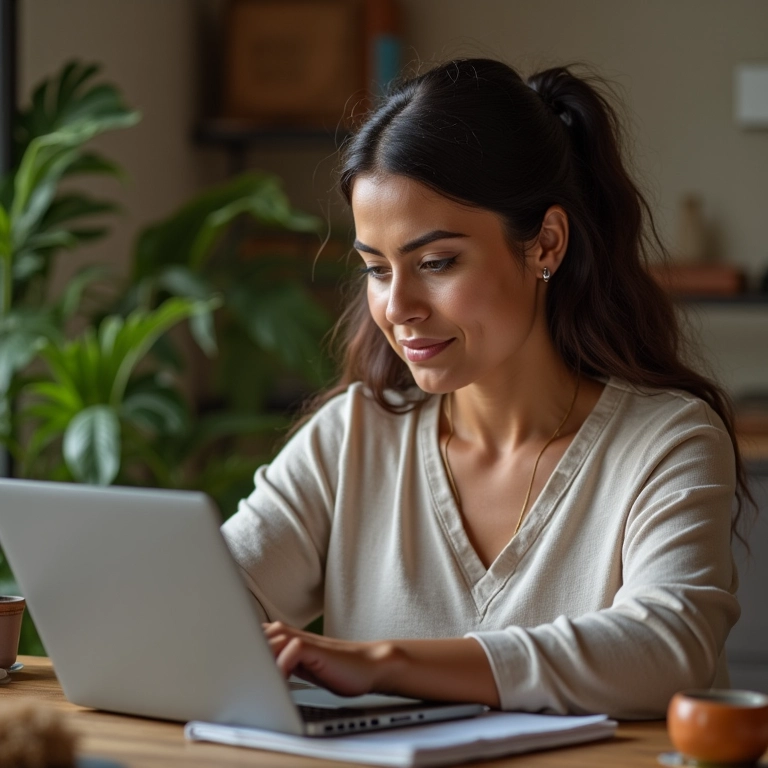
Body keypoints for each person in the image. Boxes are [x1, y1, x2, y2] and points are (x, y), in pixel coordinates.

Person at [221, 58, 750, 719]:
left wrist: (388, 663)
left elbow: (667, 649)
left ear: (546, 245)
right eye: (377, 269)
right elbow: (211, 604)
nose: (399, 306)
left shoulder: (668, 441)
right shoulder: (350, 438)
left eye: (436, 263)